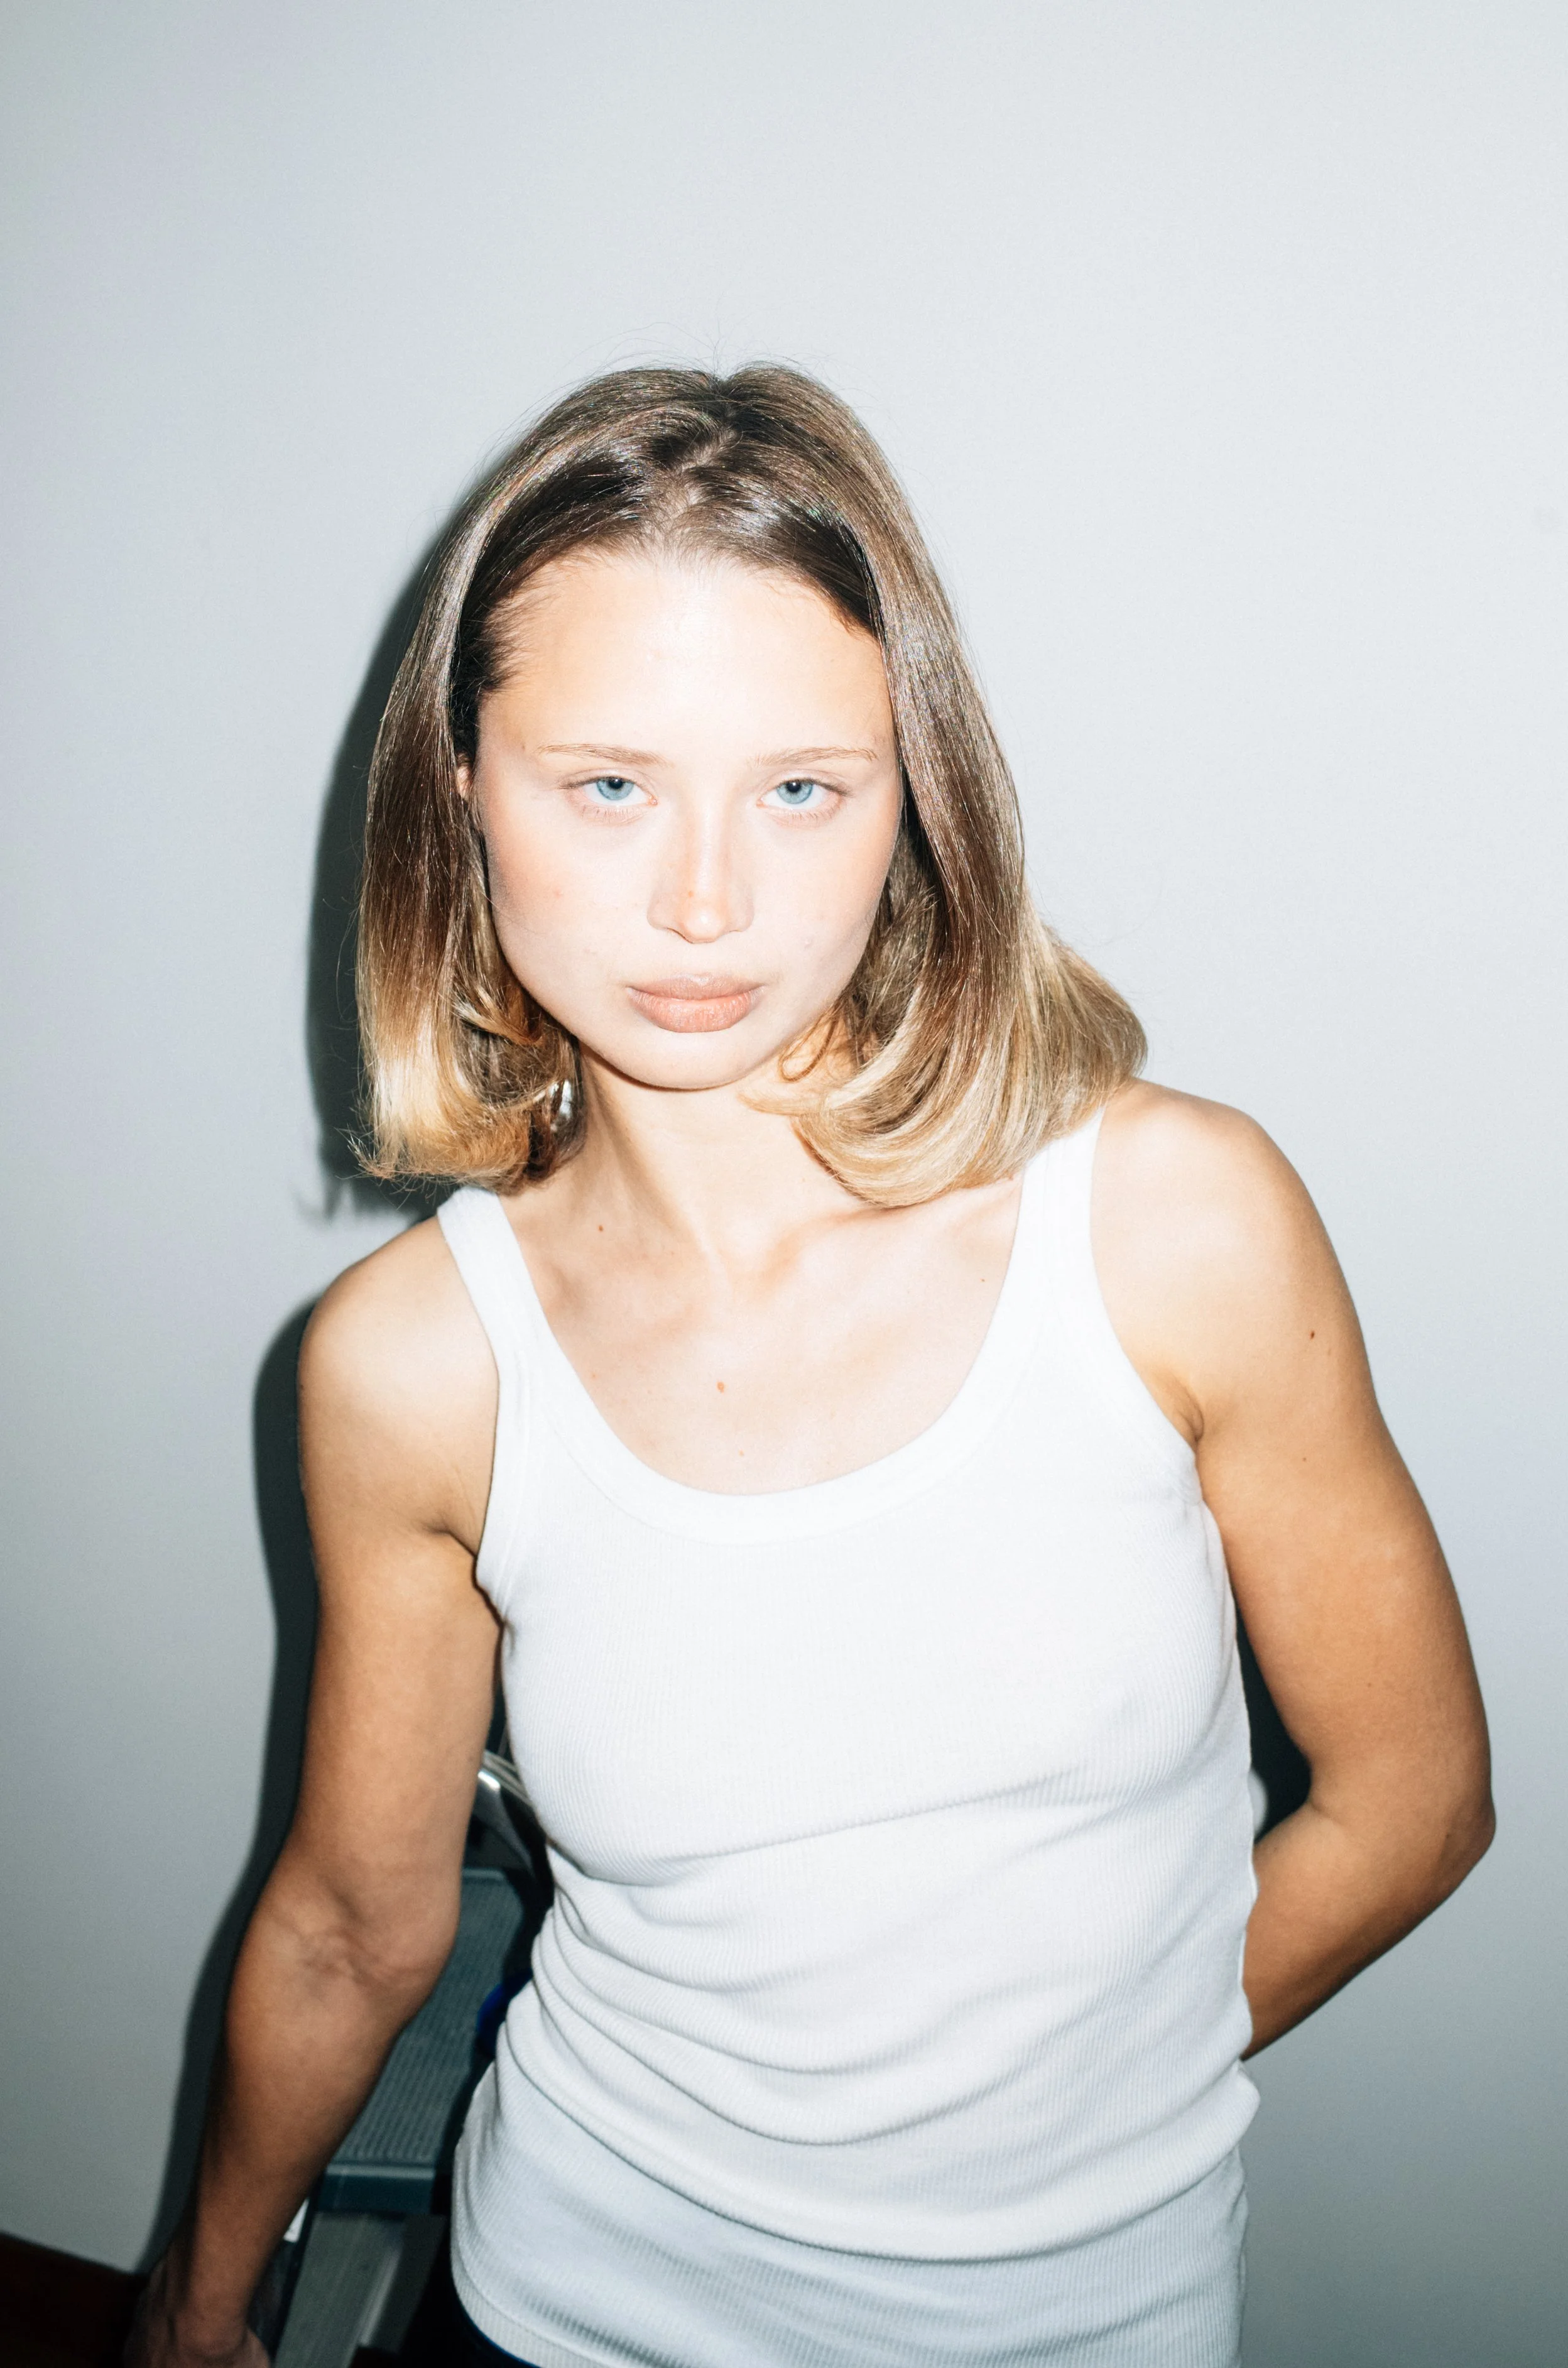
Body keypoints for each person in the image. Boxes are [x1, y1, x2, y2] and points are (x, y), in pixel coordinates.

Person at [129, 367, 1493, 2368]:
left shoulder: (1172, 1227)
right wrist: (194, 2301)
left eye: (800, 787)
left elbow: (1416, 1801)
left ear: (913, 795)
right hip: (563, 2302)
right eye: (607, 784)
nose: (705, 902)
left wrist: (1066, 2118)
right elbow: (349, 1922)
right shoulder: (416, 1366)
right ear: (465, 795)